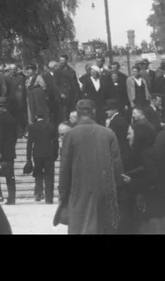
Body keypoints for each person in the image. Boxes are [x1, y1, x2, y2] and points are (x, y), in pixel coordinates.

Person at [58, 99, 124, 235]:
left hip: (79, 192)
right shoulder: (108, 133)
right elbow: (117, 167)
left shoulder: (70, 135)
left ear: (77, 113)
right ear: (94, 112)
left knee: (80, 228)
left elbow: (64, 170)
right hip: (105, 192)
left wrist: (63, 195)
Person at [0, 97, 17, 204]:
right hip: (10, 151)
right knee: (10, 176)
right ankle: (12, 197)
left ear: (0, 107)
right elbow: (14, 136)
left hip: (0, 151)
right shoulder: (11, 118)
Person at [25, 113, 58, 204]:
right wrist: (55, 153)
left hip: (37, 153)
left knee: (38, 174)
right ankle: (49, 197)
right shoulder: (51, 126)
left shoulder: (32, 127)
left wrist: (28, 158)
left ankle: (38, 193)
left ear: (36, 117)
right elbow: (55, 141)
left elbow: (29, 143)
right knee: (49, 176)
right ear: (45, 117)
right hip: (49, 153)